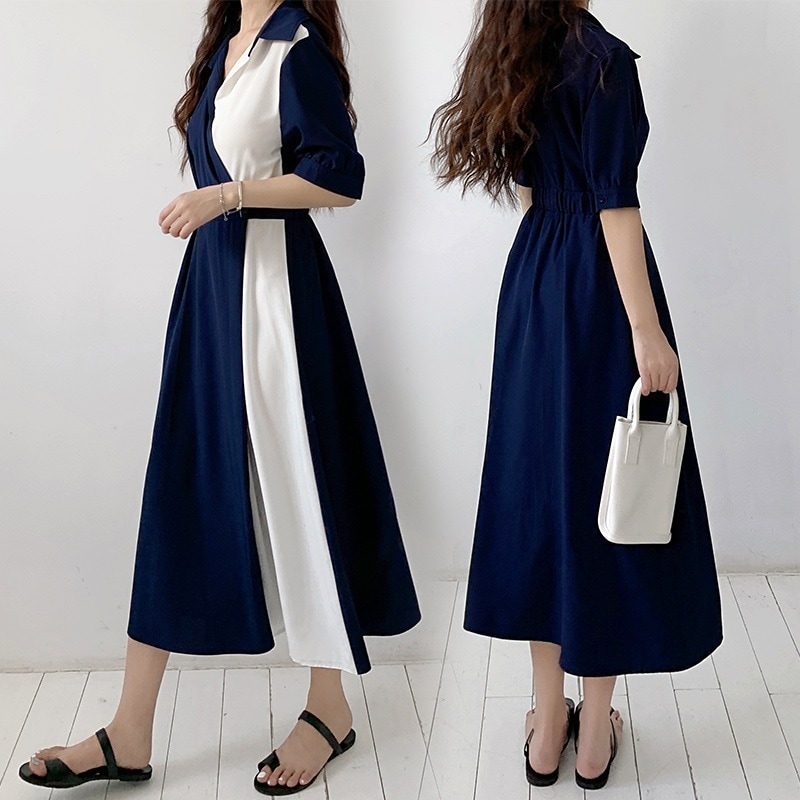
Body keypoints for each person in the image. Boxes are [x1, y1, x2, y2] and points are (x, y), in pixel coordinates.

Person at [19, 0, 420, 795]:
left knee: (301, 488)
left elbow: (340, 178)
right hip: (212, 296)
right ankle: (130, 730)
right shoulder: (226, 47)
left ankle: (328, 705)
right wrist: (218, 207)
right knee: (179, 490)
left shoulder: (295, 48)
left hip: (276, 300)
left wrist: (226, 196)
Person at [431, 0, 723, 790]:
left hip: (535, 281)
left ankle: (546, 729)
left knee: (544, 500)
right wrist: (646, 330)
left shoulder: (514, 49)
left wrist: (549, 271)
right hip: (599, 293)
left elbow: (532, 190)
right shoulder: (604, 60)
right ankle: (593, 736)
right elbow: (615, 204)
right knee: (607, 504)